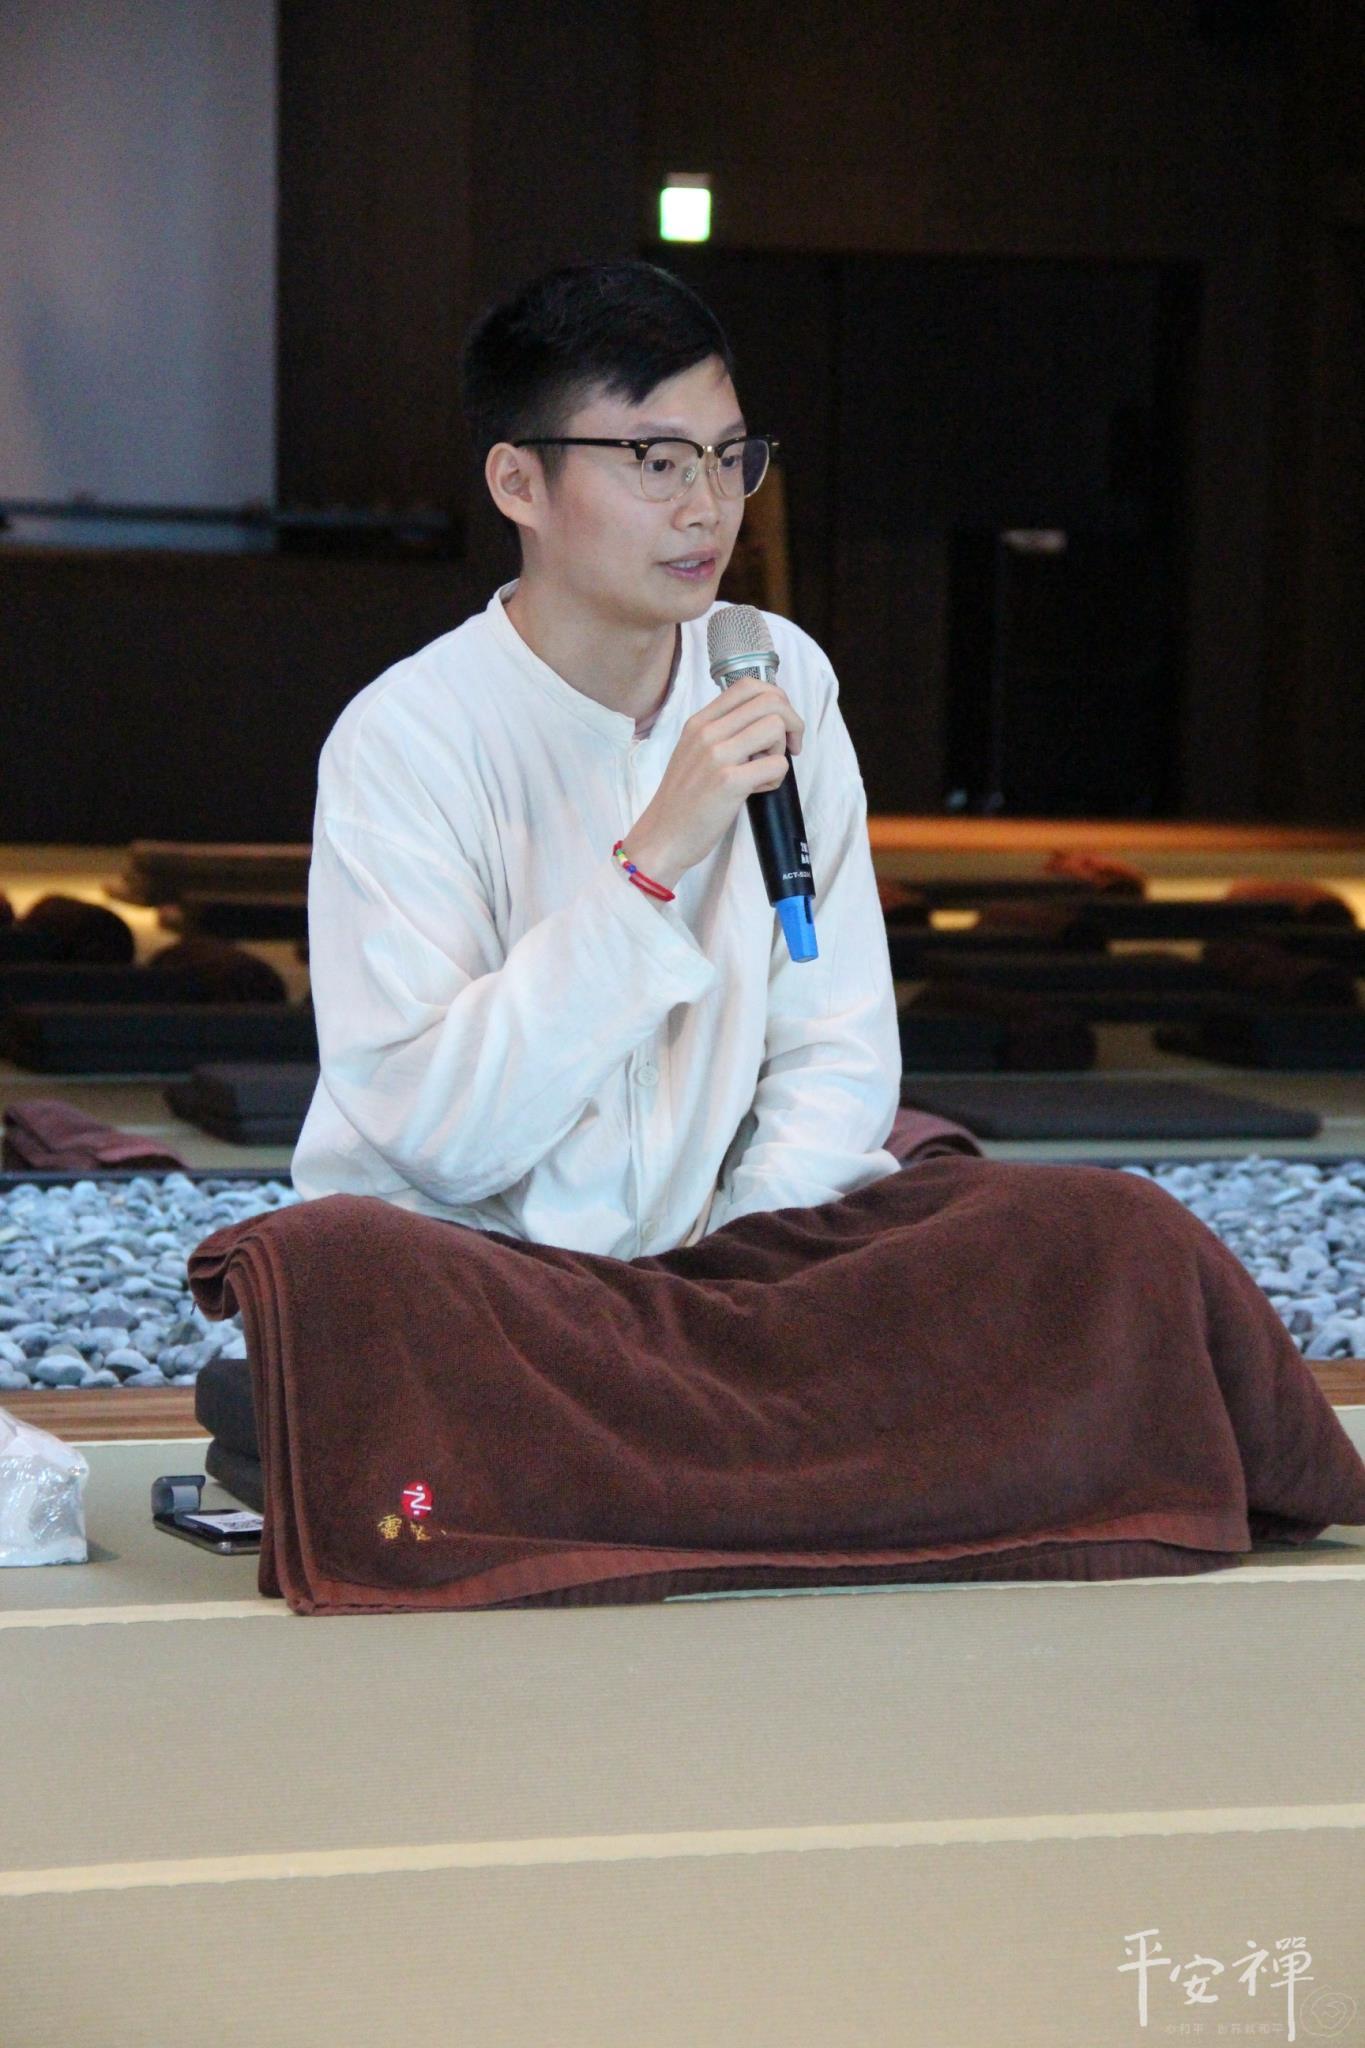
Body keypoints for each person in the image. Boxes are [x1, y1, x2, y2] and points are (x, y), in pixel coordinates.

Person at [290, 258, 902, 1255]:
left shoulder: (776, 673)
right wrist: (651, 862)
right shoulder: (407, 735)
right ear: (519, 483)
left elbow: (836, 1043)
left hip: (720, 1265)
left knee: (1079, 1227)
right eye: (658, 463)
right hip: (469, 1270)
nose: (708, 507)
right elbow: (442, 1139)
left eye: (729, 457)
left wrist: (743, 1268)